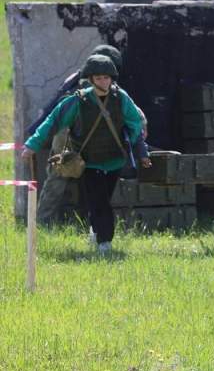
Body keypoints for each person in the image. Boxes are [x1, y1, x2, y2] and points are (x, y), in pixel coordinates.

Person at [21, 54, 148, 255]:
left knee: (102, 200)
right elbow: (52, 122)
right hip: (89, 162)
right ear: (91, 79)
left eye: (107, 78)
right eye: (98, 78)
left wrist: (137, 149)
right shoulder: (78, 101)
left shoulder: (121, 98)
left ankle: (95, 232)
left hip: (115, 160)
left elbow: (135, 124)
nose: (103, 81)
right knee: (100, 202)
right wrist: (32, 145)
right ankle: (104, 243)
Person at [26, 44, 125, 224]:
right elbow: (58, 109)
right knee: (62, 175)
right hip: (71, 133)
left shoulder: (82, 78)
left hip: (83, 135)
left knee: (70, 178)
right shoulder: (89, 84)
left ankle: (46, 222)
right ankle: (43, 223)